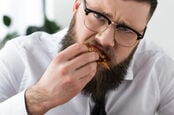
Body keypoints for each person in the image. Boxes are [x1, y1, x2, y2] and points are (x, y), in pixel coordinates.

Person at [0, 0, 174, 114]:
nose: (106, 41)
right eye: (98, 16)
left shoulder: (159, 68)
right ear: (76, 8)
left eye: (126, 29)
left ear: (140, 34)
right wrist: (40, 97)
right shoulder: (20, 56)